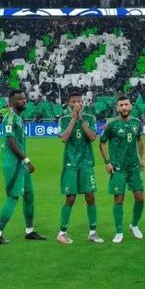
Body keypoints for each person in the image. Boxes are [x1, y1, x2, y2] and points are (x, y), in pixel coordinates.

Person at [0, 89, 46, 244]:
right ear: (12, 102)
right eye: (20, 99)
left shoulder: (18, 118)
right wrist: (27, 160)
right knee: (13, 197)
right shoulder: (9, 118)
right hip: (13, 163)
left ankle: (29, 231)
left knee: (29, 195)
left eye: (24, 98)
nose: (24, 101)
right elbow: (11, 143)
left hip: (20, 163)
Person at [100, 96, 145, 244]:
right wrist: (107, 162)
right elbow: (102, 143)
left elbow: (140, 140)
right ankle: (119, 231)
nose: (124, 107)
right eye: (121, 105)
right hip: (118, 168)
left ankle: (134, 225)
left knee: (140, 198)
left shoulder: (136, 122)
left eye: (126, 104)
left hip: (133, 167)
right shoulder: (112, 124)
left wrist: (142, 158)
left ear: (130, 106)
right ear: (117, 108)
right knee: (119, 199)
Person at [58, 91, 102, 244]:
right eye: (73, 101)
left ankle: (93, 232)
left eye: (79, 101)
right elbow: (64, 138)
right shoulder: (64, 119)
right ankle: (62, 233)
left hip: (86, 162)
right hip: (70, 163)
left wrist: (81, 119)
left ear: (83, 103)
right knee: (70, 197)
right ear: (69, 104)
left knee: (90, 196)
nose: (77, 104)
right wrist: (73, 119)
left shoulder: (90, 118)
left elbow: (93, 137)